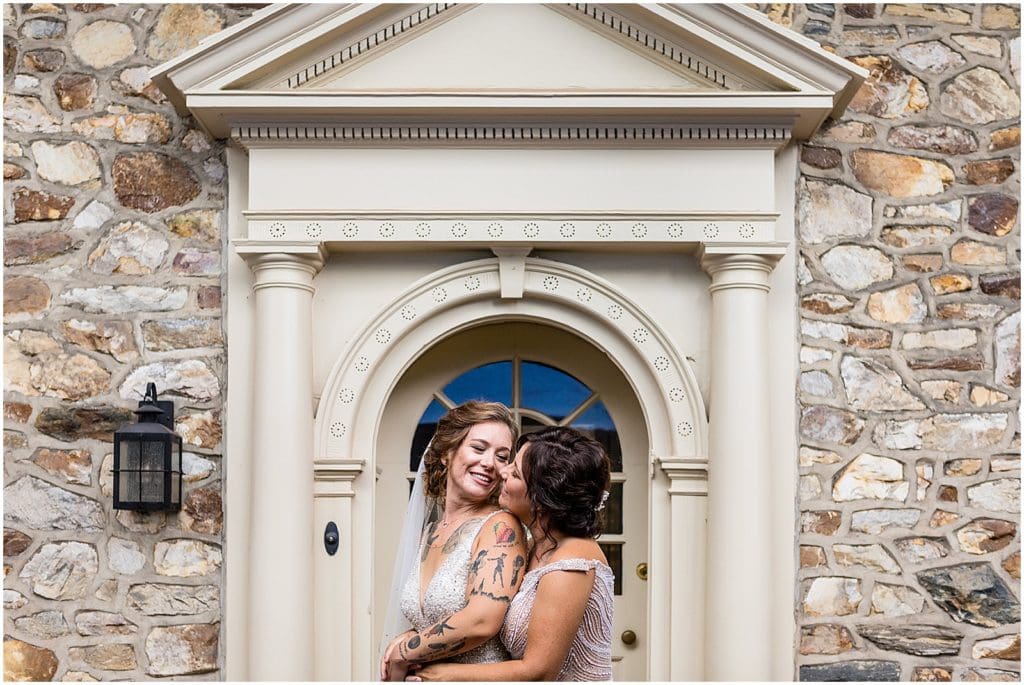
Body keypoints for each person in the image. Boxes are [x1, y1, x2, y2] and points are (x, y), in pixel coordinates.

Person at [406, 426, 614, 682]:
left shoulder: (571, 563)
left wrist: (442, 674)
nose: (502, 472)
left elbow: (539, 671)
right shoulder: (534, 546)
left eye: (514, 472)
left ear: (540, 497)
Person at [380, 401, 528, 681]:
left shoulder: (500, 527)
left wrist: (405, 652)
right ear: (448, 451)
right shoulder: (431, 531)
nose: (488, 464)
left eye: (502, 456)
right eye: (479, 448)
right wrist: (412, 636)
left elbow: (481, 621)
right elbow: (434, 617)